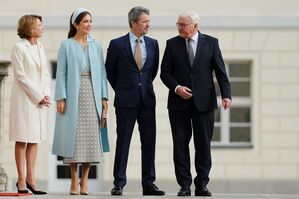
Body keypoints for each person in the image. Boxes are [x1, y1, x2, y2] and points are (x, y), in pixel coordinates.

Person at [160, 11, 232, 197]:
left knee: (203, 145)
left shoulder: (211, 42)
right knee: (180, 144)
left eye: (183, 25)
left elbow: (220, 71)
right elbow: (165, 73)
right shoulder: (172, 44)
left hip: (205, 103)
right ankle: (184, 185)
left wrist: (227, 95)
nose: (179, 28)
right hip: (178, 104)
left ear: (195, 26)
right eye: (178, 24)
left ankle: (202, 184)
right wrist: (177, 88)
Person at [105, 6, 165, 196]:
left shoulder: (154, 44)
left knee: (149, 143)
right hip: (125, 102)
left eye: (149, 21)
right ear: (133, 23)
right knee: (123, 142)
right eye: (145, 21)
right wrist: (123, 90)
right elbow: (110, 72)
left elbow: (152, 71)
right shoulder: (117, 44)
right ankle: (119, 183)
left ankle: (149, 184)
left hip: (147, 100)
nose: (148, 24)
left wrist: (142, 87)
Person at [52, 8, 109, 195]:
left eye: (90, 21)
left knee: (91, 141)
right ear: (76, 24)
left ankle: (84, 181)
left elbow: (101, 73)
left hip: (92, 94)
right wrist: (61, 97)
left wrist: (104, 97)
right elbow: (60, 73)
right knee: (73, 140)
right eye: (85, 21)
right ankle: (73, 180)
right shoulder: (66, 45)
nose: (89, 24)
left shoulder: (96, 45)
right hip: (73, 94)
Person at [9, 14, 50, 195]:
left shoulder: (40, 47)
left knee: (34, 139)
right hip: (24, 100)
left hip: (39, 100)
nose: (42, 28)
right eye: (39, 25)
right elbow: (21, 76)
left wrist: (46, 95)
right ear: (29, 27)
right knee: (22, 137)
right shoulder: (18, 48)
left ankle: (31, 179)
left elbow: (46, 75)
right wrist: (37, 96)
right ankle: (20, 179)